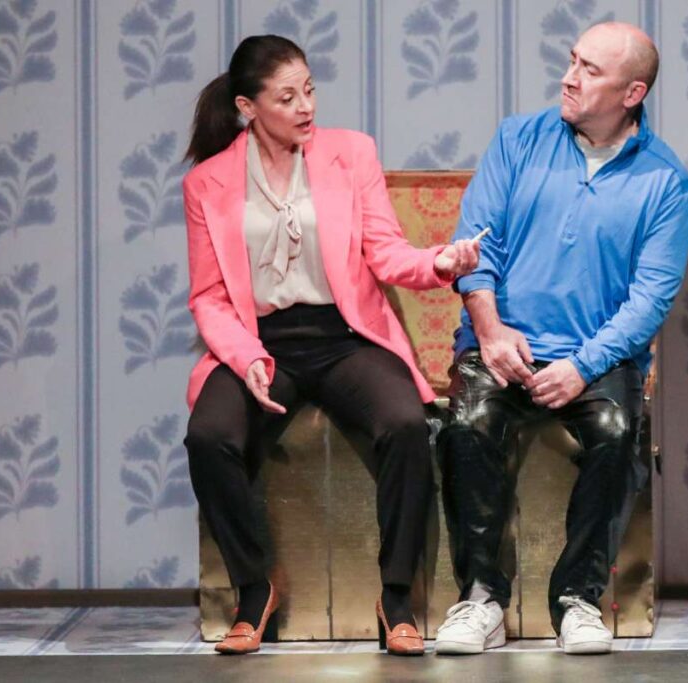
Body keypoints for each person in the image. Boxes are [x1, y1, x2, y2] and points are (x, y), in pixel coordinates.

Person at [182, 35, 479, 656]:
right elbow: (209, 296)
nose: (306, 106)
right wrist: (246, 359)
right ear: (247, 106)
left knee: (404, 424)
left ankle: (395, 598)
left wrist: (440, 261)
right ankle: (253, 590)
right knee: (209, 437)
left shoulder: (350, 153)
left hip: (344, 337)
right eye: (287, 97)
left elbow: (385, 251)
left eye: (310, 90)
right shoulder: (208, 183)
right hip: (260, 342)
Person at [434, 22, 688, 655]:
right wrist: (490, 332)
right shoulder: (517, 139)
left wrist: (583, 365)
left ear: (632, 92)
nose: (569, 76)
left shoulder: (666, 182)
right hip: (501, 341)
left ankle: (578, 598)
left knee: (616, 433)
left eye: (590, 70)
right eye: (571, 60)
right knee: (466, 423)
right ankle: (481, 597)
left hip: (595, 354)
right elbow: (475, 248)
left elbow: (650, 299)